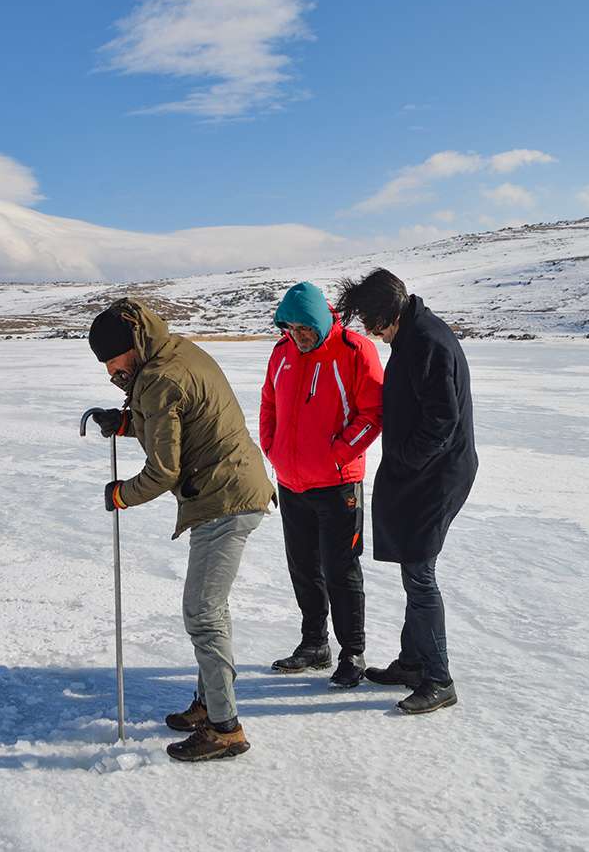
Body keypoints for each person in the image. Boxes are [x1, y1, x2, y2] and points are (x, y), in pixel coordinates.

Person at [87, 298, 276, 761]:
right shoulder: (174, 354)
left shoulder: (158, 377)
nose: (110, 369)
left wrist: (120, 495)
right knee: (211, 610)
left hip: (224, 499)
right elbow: (182, 421)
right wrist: (129, 422)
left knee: (203, 612)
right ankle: (208, 702)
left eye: (113, 359)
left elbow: (163, 471)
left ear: (132, 345)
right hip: (232, 489)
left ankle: (225, 728)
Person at [336, 269, 478, 714]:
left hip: (437, 476)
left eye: (370, 322)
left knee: (420, 574)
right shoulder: (413, 334)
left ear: (387, 314)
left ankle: (438, 679)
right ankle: (413, 662)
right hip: (425, 472)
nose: (368, 331)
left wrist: (405, 462)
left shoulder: (427, 342)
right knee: (413, 570)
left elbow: (442, 421)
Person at [259, 282, 383, 687]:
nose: (298, 336)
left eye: (304, 328)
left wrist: (336, 454)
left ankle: (353, 652)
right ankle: (314, 644)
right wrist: (272, 448)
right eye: (290, 328)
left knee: (341, 570)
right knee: (303, 568)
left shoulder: (354, 350)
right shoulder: (282, 354)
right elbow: (269, 402)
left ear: (319, 320)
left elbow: (372, 415)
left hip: (338, 486)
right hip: (292, 483)